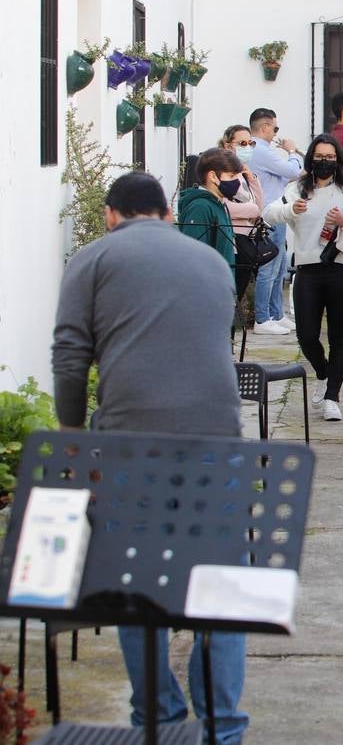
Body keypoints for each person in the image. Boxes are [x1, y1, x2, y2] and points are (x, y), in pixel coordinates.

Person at [51, 171, 249, 743]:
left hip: (128, 443)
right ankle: (224, 725)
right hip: (216, 439)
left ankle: (159, 718)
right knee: (217, 585)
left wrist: (73, 434)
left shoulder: (92, 259)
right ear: (167, 213)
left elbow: (70, 356)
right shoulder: (209, 261)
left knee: (134, 583)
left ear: (111, 215)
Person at [264, 134, 343, 422]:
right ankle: (323, 372)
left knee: (338, 337)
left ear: (338, 160)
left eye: (330, 157)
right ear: (310, 158)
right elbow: (269, 213)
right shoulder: (296, 189)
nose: (324, 161)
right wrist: (289, 209)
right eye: (319, 156)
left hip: (341, 269)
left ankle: (332, 396)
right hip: (307, 269)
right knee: (306, 335)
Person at [247, 107, 302, 335]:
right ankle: (263, 318)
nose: (275, 133)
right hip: (268, 215)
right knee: (269, 268)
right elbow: (293, 171)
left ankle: (276, 313)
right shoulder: (259, 149)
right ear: (265, 127)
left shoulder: (260, 151)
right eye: (275, 128)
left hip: (276, 211)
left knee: (279, 268)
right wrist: (291, 151)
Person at [178, 147, 243, 284]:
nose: (237, 182)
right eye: (232, 176)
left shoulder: (219, 204)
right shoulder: (200, 207)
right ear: (213, 176)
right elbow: (193, 257)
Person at [217, 125, 267, 293]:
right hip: (231, 242)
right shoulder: (221, 173)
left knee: (240, 291)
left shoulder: (244, 173)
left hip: (247, 242)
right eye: (242, 143)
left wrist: (251, 178)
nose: (247, 148)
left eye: (251, 144)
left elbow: (259, 206)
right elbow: (223, 207)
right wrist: (251, 210)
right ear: (228, 145)